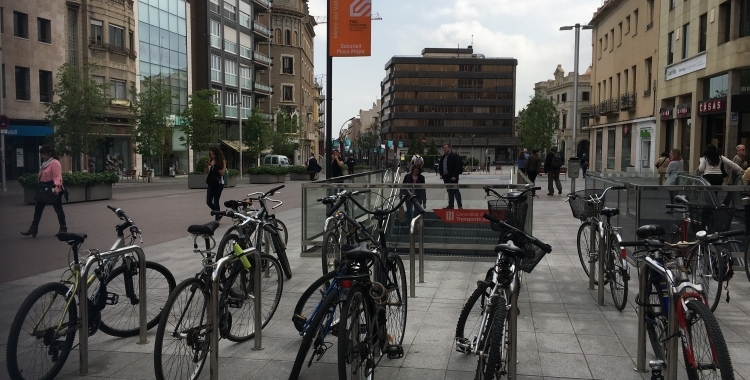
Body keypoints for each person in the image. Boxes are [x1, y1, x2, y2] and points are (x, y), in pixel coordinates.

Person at [21, 145, 67, 238]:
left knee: (58, 209)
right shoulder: (45, 163)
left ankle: (63, 227)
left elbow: (57, 176)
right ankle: (34, 227)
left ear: (49, 154)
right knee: (38, 208)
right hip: (43, 188)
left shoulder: (55, 163)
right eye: (41, 154)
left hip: (53, 187)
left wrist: (57, 186)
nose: (42, 156)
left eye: (43, 154)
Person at [205, 146, 226, 224]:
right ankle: (219, 213)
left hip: (219, 184)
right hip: (211, 183)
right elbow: (206, 172)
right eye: (210, 154)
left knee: (216, 201)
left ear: (217, 153)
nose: (212, 156)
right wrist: (207, 166)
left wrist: (215, 166)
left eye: (213, 154)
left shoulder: (222, 161)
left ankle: (217, 219)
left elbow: (222, 172)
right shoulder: (211, 160)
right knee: (208, 202)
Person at [439, 143, 463, 209]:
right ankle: (451, 205)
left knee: (456, 191)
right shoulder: (443, 157)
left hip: (453, 177)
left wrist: (455, 175)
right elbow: (441, 166)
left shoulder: (454, 156)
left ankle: (459, 206)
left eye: (445, 147)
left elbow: (458, 166)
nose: (444, 149)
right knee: (449, 191)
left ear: (450, 148)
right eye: (443, 147)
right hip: (446, 177)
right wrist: (441, 174)